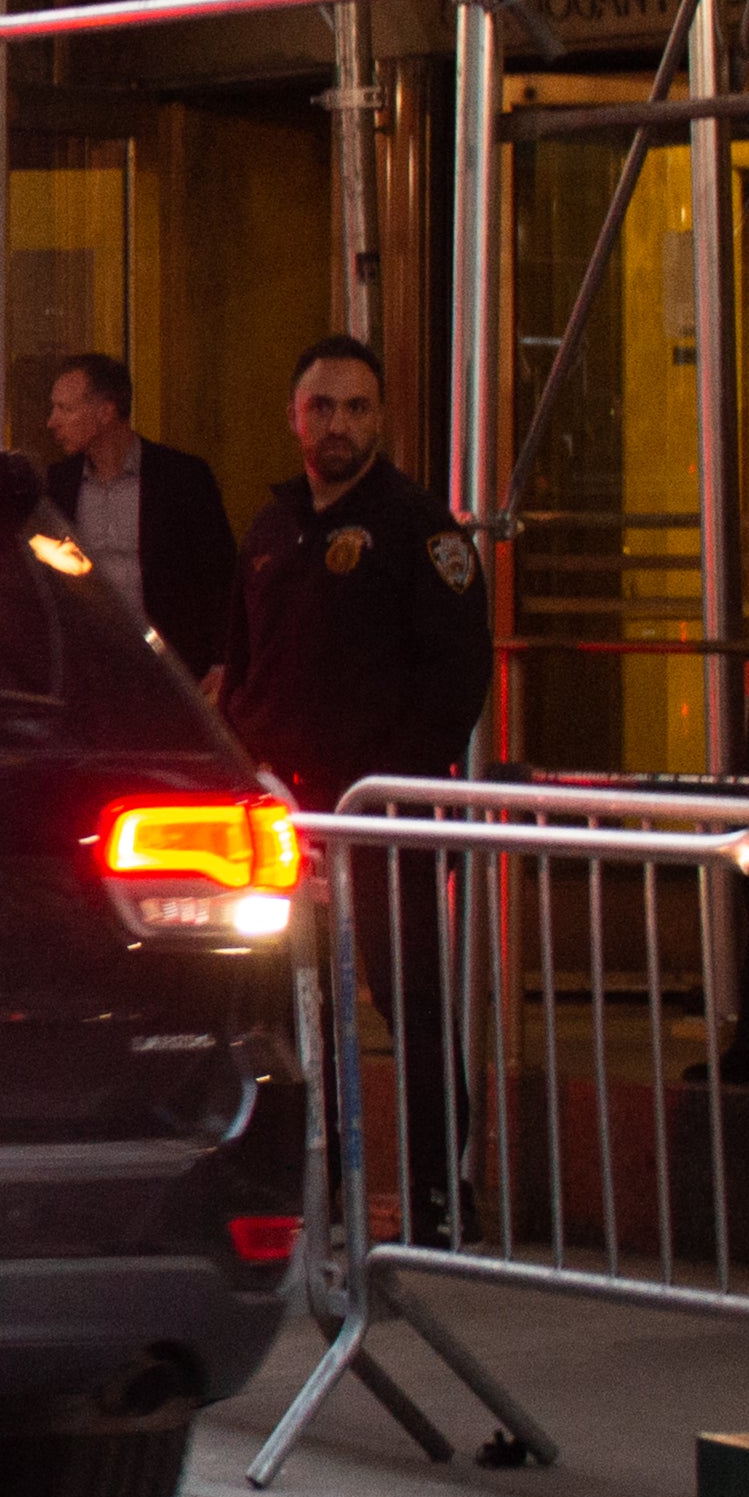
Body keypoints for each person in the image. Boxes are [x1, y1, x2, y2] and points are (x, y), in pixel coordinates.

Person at [223, 335, 493, 1221]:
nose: (337, 424)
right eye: (320, 407)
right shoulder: (270, 527)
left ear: (379, 417)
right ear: (292, 416)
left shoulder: (418, 528)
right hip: (278, 820)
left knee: (406, 997)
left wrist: (396, 783)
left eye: (356, 407)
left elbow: (456, 675)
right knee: (290, 1008)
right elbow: (243, 665)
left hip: (380, 813)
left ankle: (433, 1194)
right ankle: (316, 1183)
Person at [39, 351, 242, 682]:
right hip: (87, 668)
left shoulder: (181, 478)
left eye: (65, 408)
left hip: (169, 667)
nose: (52, 421)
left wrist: (221, 662)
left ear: (106, 411)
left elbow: (219, 576)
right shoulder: (58, 484)